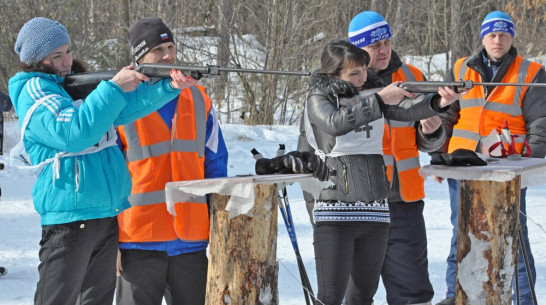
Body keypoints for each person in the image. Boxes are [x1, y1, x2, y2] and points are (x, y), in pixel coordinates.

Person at [9, 17, 196, 305]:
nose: (66, 61)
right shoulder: (34, 90)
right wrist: (113, 88)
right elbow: (74, 132)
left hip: (105, 215)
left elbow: (125, 108)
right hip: (69, 219)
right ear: (36, 61)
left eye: (68, 51)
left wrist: (168, 87)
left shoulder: (71, 86)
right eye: (56, 56)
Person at [303, 39, 458, 305]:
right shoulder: (318, 98)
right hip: (335, 211)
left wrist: (438, 102)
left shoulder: (372, 94)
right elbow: (334, 123)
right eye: (354, 73)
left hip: (375, 210)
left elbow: (409, 109)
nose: (363, 77)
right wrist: (378, 98)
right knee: (331, 297)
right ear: (333, 75)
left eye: (364, 70)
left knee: (362, 296)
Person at [433, 11, 546, 305]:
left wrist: (527, 164)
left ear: (512, 37)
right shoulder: (460, 68)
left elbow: (541, 125)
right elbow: (443, 116)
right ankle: (453, 295)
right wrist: (439, 158)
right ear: (482, 37)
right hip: (464, 167)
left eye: (504, 35)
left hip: (508, 168)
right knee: (461, 236)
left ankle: (524, 299)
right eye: (492, 35)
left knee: (512, 238)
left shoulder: (531, 72)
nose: (498, 40)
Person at [115, 18, 228, 305]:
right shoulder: (119, 100)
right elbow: (107, 176)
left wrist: (219, 227)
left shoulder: (198, 98)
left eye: (170, 46)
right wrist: (109, 241)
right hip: (137, 239)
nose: (168, 55)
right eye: (158, 49)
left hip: (190, 242)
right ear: (139, 57)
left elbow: (216, 165)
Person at [348, 11, 445, 305]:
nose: (383, 50)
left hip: (404, 203)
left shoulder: (414, 77)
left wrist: (433, 133)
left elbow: (428, 142)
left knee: (412, 292)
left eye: (387, 42)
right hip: (356, 204)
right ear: (357, 49)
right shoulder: (341, 81)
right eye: (374, 45)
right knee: (354, 294)